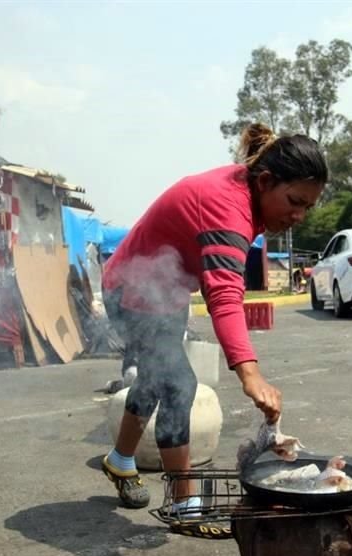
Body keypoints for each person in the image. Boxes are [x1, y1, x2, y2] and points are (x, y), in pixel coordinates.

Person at [101, 124, 327, 510]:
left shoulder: (247, 192)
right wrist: (249, 373)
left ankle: (120, 461)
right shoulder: (229, 206)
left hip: (165, 294)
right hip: (130, 291)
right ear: (266, 181)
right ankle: (183, 505)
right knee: (176, 384)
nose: (300, 215)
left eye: (308, 206)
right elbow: (224, 294)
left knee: (157, 379)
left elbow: (216, 282)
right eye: (294, 201)